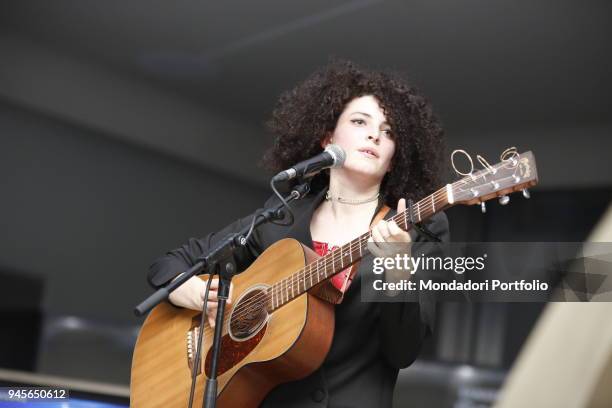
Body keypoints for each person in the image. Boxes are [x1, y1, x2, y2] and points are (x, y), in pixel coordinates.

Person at [147, 59, 449, 407]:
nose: (374, 135)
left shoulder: (418, 227)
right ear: (327, 138)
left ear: (395, 157)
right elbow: (171, 264)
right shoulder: (281, 218)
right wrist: (191, 291)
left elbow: (404, 350)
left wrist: (398, 268)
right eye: (359, 121)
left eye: (389, 131)